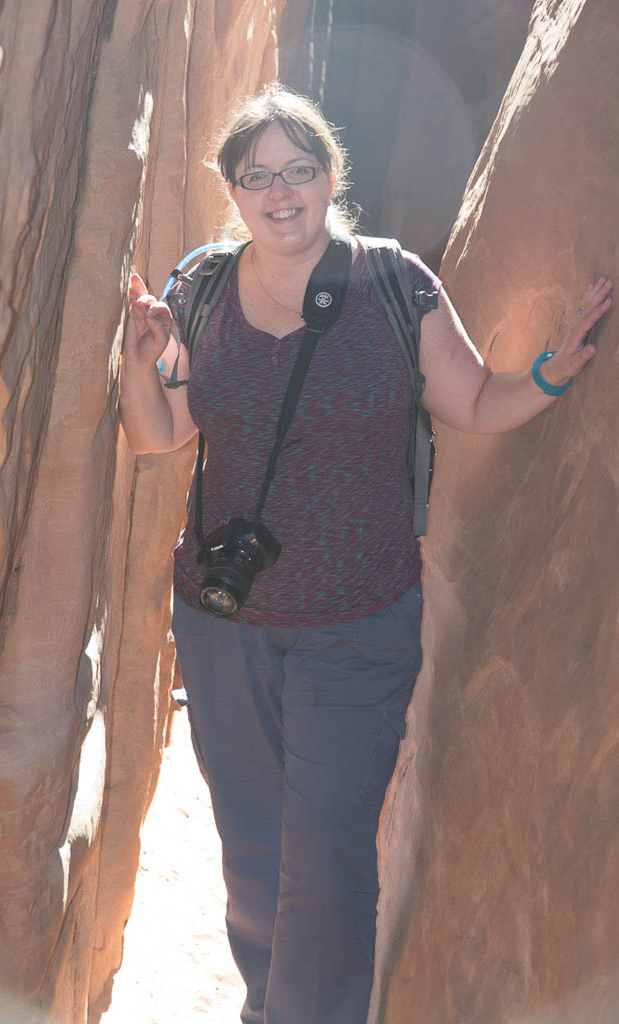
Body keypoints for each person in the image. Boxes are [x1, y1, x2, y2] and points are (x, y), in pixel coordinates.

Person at [119, 85, 612, 1024]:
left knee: (331, 852)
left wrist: (551, 372)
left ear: (330, 175)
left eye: (297, 170)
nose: (279, 193)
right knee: (255, 847)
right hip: (225, 624)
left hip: (357, 626)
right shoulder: (205, 290)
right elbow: (159, 437)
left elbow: (471, 401)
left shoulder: (394, 285)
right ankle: (272, 1008)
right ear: (233, 192)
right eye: (256, 176)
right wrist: (141, 362)